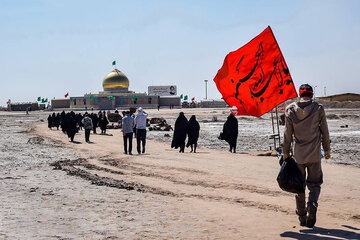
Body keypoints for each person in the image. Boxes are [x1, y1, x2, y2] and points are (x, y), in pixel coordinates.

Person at [283, 83, 330, 228]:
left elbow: (287, 134)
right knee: (315, 184)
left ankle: (302, 217)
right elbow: (325, 132)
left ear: (300, 94)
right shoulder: (318, 109)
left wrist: (285, 152)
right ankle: (312, 204)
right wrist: (327, 149)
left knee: (299, 186)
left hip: (298, 155)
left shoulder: (290, 109)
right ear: (311, 94)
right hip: (315, 154)